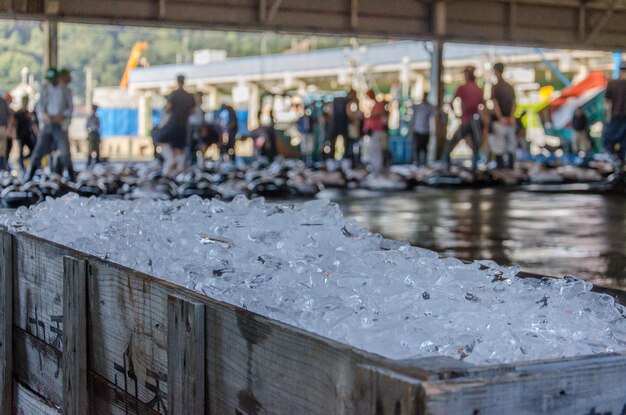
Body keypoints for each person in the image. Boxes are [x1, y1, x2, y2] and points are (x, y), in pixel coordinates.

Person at [26, 67, 74, 181]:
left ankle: (72, 177)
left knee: (64, 151)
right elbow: (40, 106)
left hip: (60, 124)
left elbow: (70, 108)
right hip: (47, 124)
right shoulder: (44, 89)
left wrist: (61, 116)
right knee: (38, 151)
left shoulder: (66, 90)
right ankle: (28, 177)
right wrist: (45, 115)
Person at [444, 66, 485, 172]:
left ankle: (447, 168)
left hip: (466, 121)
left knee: (450, 145)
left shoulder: (462, 87)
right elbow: (483, 106)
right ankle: (474, 168)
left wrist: (457, 115)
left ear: (466, 75)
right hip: (475, 122)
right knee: (475, 147)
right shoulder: (478, 89)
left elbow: (451, 102)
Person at [153, 74, 195, 176]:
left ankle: (170, 160)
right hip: (184, 126)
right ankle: (179, 171)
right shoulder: (189, 96)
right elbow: (192, 111)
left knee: (159, 139)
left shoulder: (174, 94)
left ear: (177, 82)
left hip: (173, 124)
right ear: (184, 81)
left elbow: (168, 108)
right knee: (179, 148)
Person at [490, 62, 517, 169]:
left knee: (499, 146)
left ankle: (500, 169)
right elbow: (514, 103)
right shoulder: (510, 87)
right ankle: (510, 168)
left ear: (496, 71)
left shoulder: (495, 87)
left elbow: (495, 104)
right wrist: (511, 117)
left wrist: (501, 117)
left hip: (500, 121)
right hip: (510, 121)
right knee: (511, 146)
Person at [603, 61, 626, 166]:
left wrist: (608, 117)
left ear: (620, 71)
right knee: (624, 143)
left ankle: (618, 160)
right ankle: (621, 163)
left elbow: (608, 103)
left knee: (607, 141)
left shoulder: (612, 83)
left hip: (616, 117)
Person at [363, 89, 388, 173]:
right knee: (372, 150)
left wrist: (367, 114)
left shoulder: (378, 104)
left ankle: (377, 168)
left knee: (376, 150)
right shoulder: (374, 104)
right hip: (373, 131)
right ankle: (375, 168)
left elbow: (376, 114)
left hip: (377, 130)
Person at [409, 91, 436, 166]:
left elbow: (434, 115)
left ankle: (424, 163)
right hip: (417, 130)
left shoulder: (429, 107)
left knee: (424, 148)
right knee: (417, 148)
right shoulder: (417, 107)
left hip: (425, 131)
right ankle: (417, 162)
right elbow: (413, 118)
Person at [13, 95, 38, 171]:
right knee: (21, 150)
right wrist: (14, 133)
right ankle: (21, 165)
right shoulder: (18, 113)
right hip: (20, 134)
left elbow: (32, 123)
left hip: (28, 134)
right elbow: (15, 123)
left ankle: (24, 159)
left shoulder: (28, 113)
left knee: (33, 149)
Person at [187, 92, 204, 166]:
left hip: (199, 127)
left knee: (199, 145)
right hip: (193, 127)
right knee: (192, 146)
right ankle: (192, 162)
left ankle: (198, 163)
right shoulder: (192, 108)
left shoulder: (199, 108)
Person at [0, 93, 9, 170]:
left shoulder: (3, 101)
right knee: (3, 149)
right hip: (3, 128)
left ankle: (2, 167)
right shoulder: (3, 101)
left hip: (3, 127)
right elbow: (10, 115)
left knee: (3, 149)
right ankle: (2, 167)